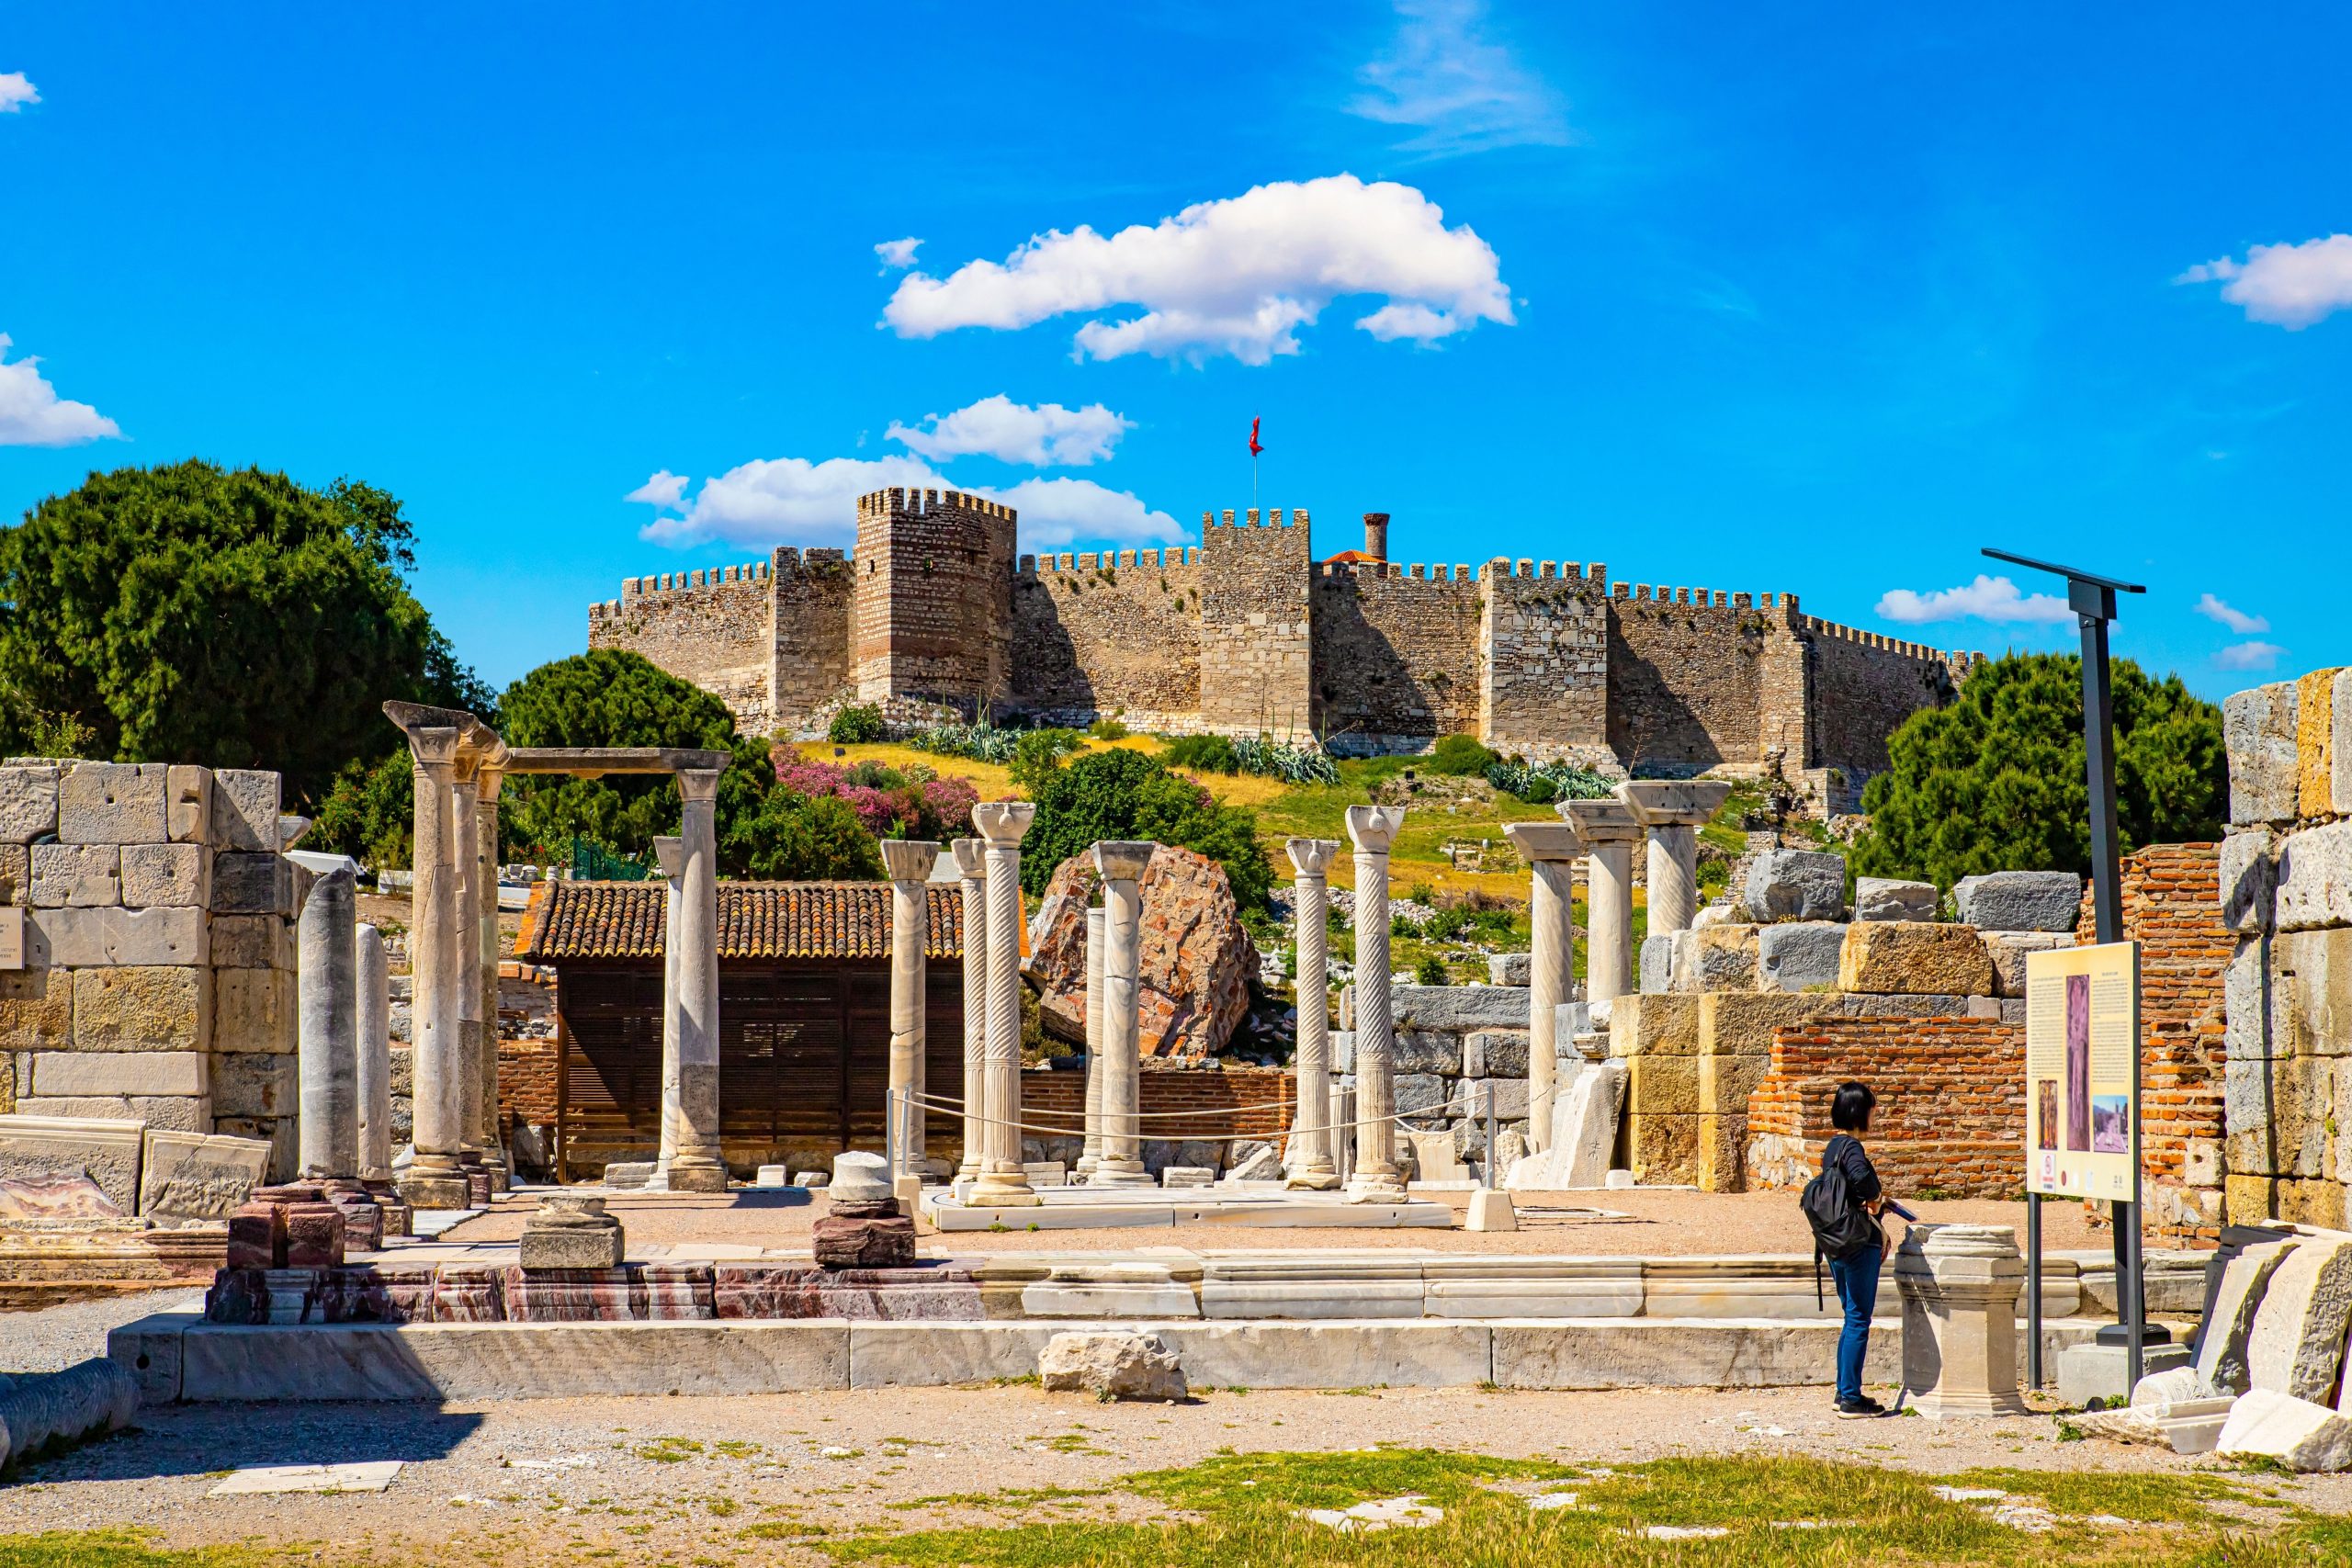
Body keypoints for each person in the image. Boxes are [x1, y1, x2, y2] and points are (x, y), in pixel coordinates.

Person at [1825, 1080, 1888, 1417]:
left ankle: (1843, 1390)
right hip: (1857, 1244)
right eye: (1872, 1109)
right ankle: (1850, 1396)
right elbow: (1864, 1181)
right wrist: (1876, 1197)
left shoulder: (1832, 1148)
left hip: (1836, 1243)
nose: (1875, 1115)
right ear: (1859, 1111)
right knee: (1859, 1319)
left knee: (1851, 1317)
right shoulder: (1852, 1148)